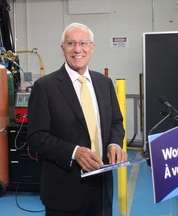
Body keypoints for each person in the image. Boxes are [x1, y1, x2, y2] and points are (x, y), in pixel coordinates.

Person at [26, 22, 127, 216]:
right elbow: (36, 136)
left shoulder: (104, 83)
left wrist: (114, 143)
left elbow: (116, 121)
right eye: (71, 43)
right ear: (62, 47)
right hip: (64, 189)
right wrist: (74, 152)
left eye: (83, 43)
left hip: (102, 185)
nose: (77, 49)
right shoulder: (45, 87)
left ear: (92, 47)